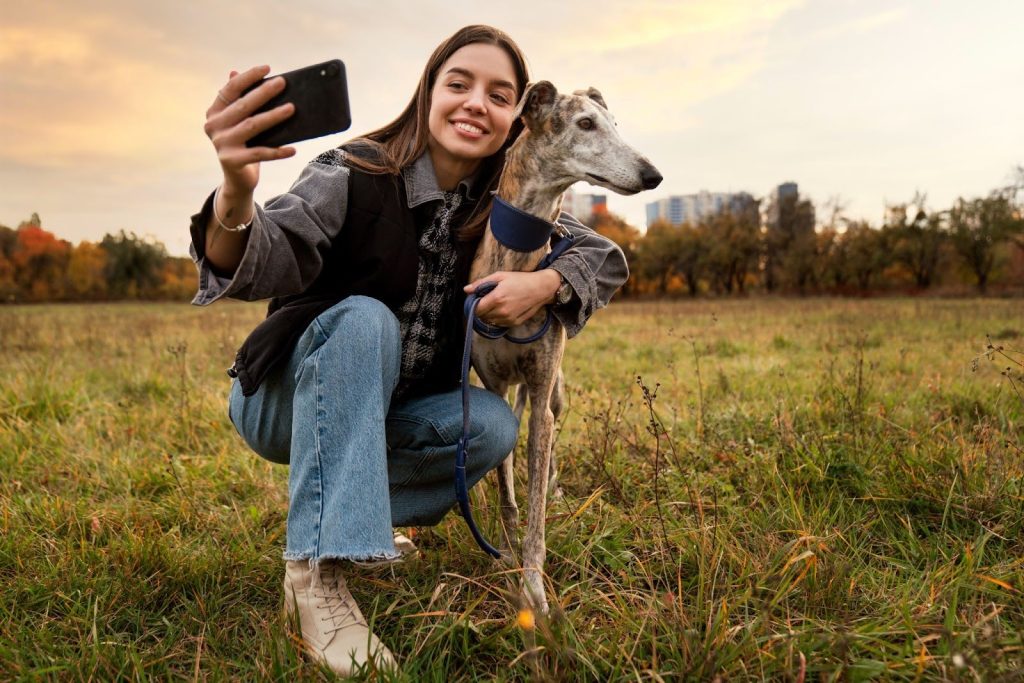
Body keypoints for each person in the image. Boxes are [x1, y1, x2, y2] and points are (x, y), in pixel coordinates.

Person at [189, 25, 628, 676]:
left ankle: (352, 515)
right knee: (367, 320)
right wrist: (235, 191)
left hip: (386, 416)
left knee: (492, 425)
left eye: (499, 94)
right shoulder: (353, 172)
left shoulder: (503, 209)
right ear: (427, 94)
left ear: (518, 121)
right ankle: (314, 579)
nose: (477, 102)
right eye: (459, 83)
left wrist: (546, 280)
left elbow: (603, 257)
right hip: (285, 398)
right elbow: (261, 255)